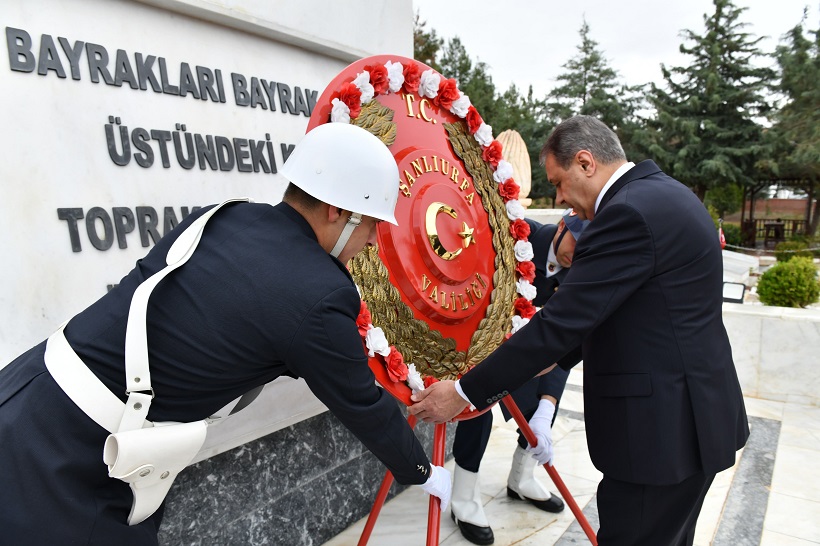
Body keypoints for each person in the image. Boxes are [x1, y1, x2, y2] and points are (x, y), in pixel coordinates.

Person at [0, 122, 451, 544]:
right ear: (337, 212)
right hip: (70, 459)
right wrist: (424, 471)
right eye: (371, 223)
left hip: (26, 389)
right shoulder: (321, 294)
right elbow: (363, 405)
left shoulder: (224, 216)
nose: (373, 240)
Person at [409, 115, 749, 545]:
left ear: (586, 162)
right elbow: (617, 318)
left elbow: (560, 325)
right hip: (693, 422)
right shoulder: (668, 194)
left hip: (660, 438)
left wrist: (462, 392)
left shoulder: (626, 213)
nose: (562, 200)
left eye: (559, 182)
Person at [450, 210, 588, 545]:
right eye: (576, 242)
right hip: (481, 337)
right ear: (561, 227)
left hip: (527, 351)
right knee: (477, 404)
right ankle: (463, 497)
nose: (576, 254)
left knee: (546, 402)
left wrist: (545, 408)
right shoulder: (515, 239)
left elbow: (561, 345)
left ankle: (521, 478)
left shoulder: (579, 273)